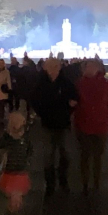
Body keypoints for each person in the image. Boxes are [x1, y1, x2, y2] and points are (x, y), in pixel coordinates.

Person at [29, 56, 78, 194]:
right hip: (48, 124)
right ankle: (50, 183)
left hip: (63, 124)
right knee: (48, 155)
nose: (53, 70)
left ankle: (63, 180)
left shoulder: (66, 83)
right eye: (51, 67)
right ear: (46, 68)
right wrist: (42, 113)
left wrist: (69, 109)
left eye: (56, 67)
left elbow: (75, 97)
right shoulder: (41, 83)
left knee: (65, 154)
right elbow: (34, 99)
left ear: (60, 67)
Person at [73, 58, 108, 194]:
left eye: (90, 67)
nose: (88, 70)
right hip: (89, 124)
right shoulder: (84, 84)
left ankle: (93, 182)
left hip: (94, 125)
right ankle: (88, 182)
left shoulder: (82, 84)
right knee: (88, 155)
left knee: (93, 156)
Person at [0, 110, 33, 215]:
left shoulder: (24, 138)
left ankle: (14, 210)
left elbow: (29, 150)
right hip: (12, 170)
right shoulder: (10, 138)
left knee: (15, 194)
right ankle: (14, 210)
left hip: (19, 171)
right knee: (15, 194)